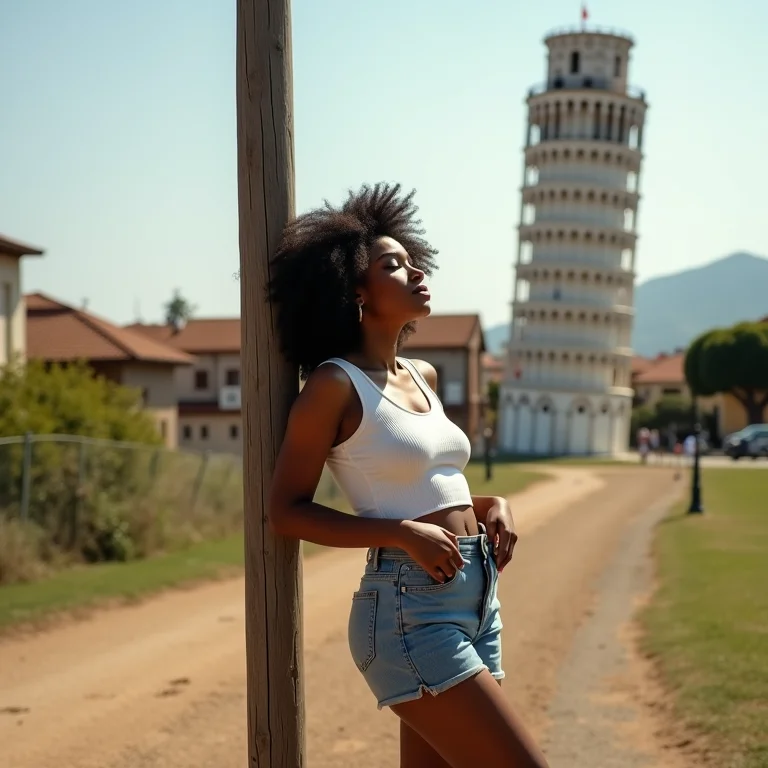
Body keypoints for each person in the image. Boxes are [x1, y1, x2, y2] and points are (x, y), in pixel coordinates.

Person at [267, 183, 549, 768]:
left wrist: (492, 502)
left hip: (477, 598)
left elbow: (427, 479)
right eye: (392, 265)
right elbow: (286, 510)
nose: (415, 270)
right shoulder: (333, 386)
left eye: (412, 259)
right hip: (407, 610)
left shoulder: (422, 374)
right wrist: (400, 533)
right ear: (356, 292)